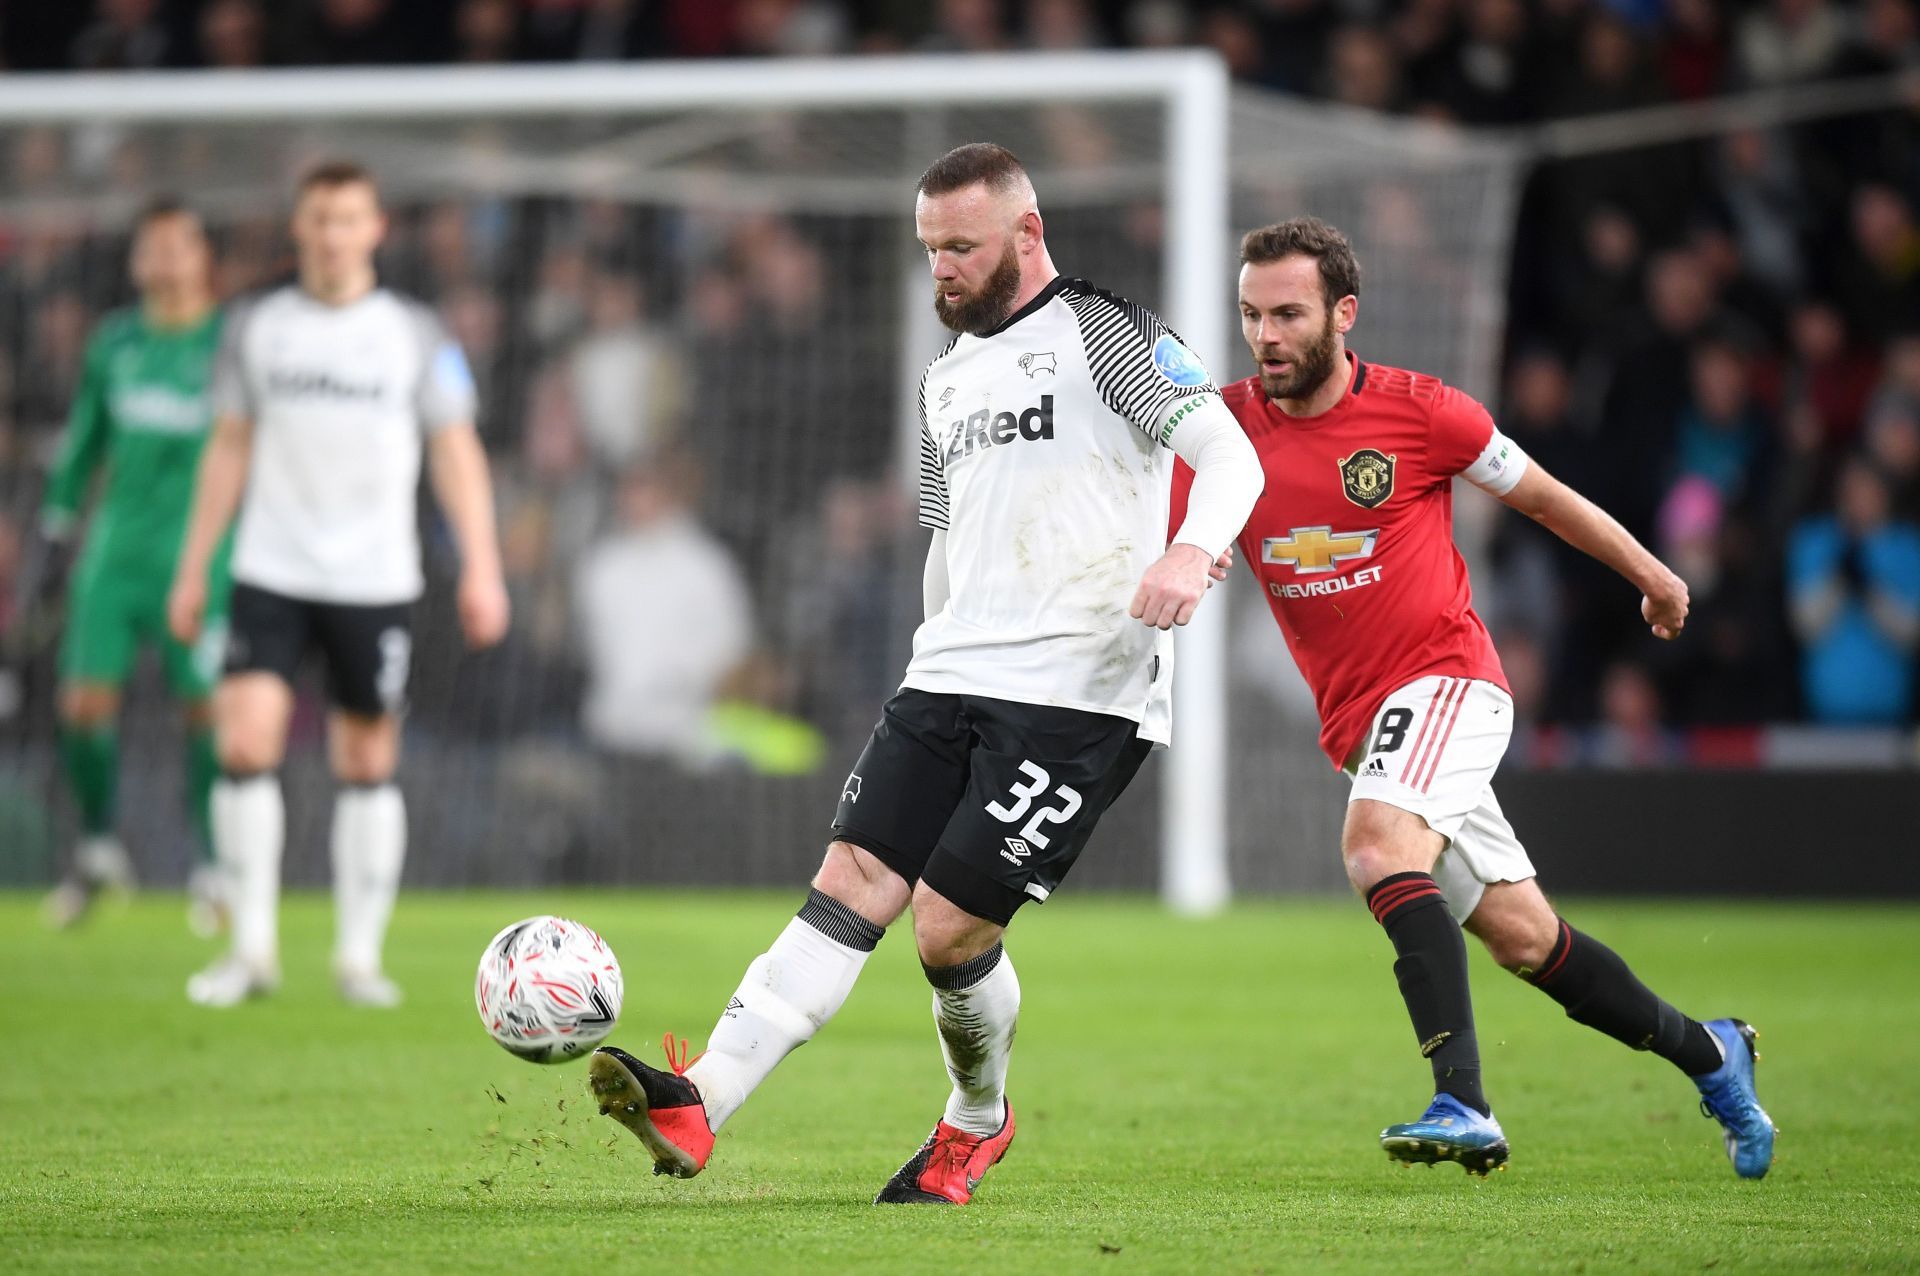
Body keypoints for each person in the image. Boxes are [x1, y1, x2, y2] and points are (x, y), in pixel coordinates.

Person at [585, 142, 1261, 1205]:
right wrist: (928, 646)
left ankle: (976, 1120)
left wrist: (1192, 549)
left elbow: (1230, 454)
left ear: (1027, 234)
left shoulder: (1104, 332)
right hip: (949, 674)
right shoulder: (944, 378)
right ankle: (699, 1101)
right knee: (849, 882)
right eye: (928, 249)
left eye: (961, 247)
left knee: (948, 928)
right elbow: (948, 539)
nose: (940, 269)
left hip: (1082, 689)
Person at [1172, 217, 1774, 1178]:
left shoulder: (1422, 412)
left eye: (1288, 313)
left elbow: (1543, 496)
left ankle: (1463, 1101)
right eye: (1250, 315)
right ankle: (1714, 1054)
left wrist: (1653, 574)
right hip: (1365, 728)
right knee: (1527, 941)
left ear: (1344, 313)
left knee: (1374, 846)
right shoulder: (1223, 433)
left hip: (1448, 682)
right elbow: (1183, 556)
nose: (1266, 335)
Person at [167, 160, 509, 1008]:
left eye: (347, 219)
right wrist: (192, 565)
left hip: (374, 577)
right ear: (299, 228)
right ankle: (251, 951)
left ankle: (359, 958)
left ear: (374, 230)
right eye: (318, 218)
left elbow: (455, 450)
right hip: (270, 568)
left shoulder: (414, 333)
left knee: (366, 758)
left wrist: (483, 566)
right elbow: (229, 446)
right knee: (243, 743)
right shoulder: (258, 325)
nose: (331, 234)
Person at [29, 198, 230, 934]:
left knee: (205, 711)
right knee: (82, 705)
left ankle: (212, 867)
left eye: (179, 245)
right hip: (114, 554)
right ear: (136, 259)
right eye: (152, 247)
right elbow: (84, 441)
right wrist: (55, 528)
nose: (164, 259)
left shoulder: (229, 344)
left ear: (204, 255)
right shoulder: (115, 343)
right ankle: (96, 847)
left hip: (199, 556)